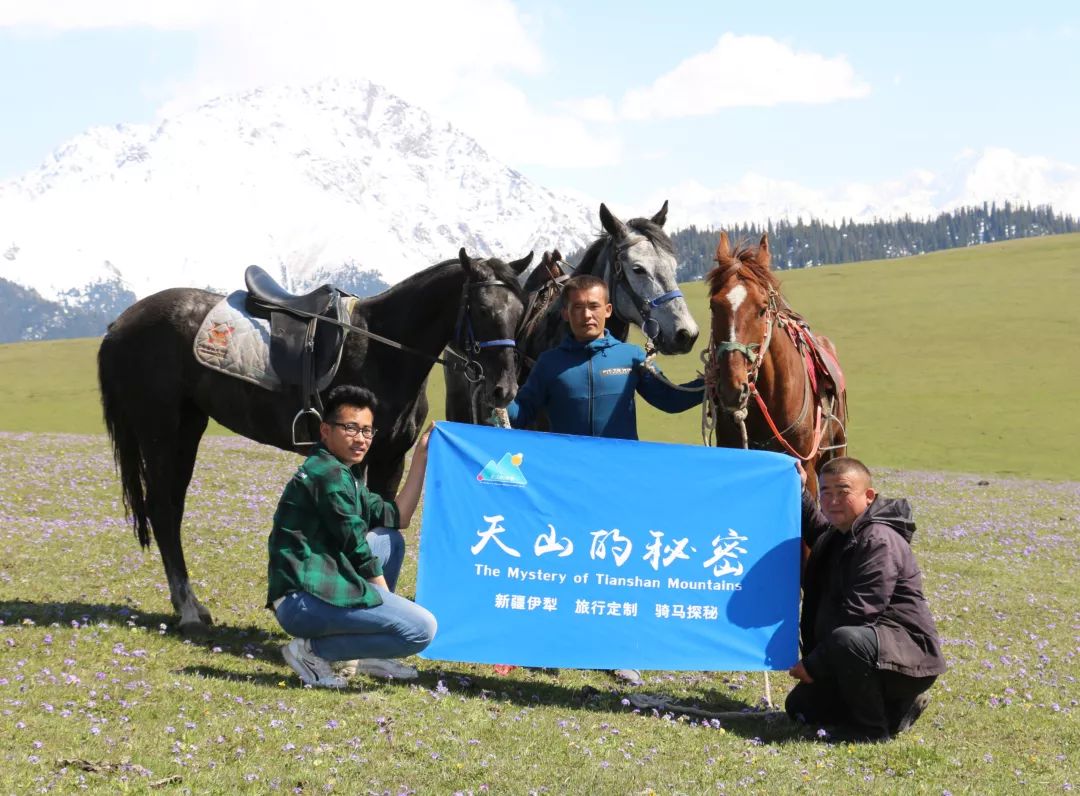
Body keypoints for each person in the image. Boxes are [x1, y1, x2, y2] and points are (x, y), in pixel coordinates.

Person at [502, 274, 704, 684]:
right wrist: (495, 407)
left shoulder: (631, 357)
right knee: (559, 567)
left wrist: (706, 384)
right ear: (566, 314)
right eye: (577, 308)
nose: (586, 314)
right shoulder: (549, 364)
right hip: (564, 487)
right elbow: (519, 414)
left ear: (608, 311)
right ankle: (548, 649)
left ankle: (616, 652)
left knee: (615, 569)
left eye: (594, 306)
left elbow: (668, 399)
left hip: (619, 487)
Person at [267, 384, 437, 687]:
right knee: (420, 629)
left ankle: (371, 654)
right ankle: (311, 651)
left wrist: (421, 457)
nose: (361, 439)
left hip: (320, 584)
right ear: (325, 431)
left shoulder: (344, 473)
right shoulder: (327, 475)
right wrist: (386, 607)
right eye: (350, 428)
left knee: (389, 540)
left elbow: (399, 517)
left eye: (367, 431)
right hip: (302, 599)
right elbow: (357, 549)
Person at [786, 457, 947, 741]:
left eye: (843, 491)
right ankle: (896, 709)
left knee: (847, 639)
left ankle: (870, 730)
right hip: (871, 652)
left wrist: (813, 664)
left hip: (904, 655)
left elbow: (860, 612)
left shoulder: (878, 540)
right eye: (825, 491)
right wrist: (800, 492)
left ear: (868, 496)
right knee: (800, 707)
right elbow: (817, 529)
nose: (832, 500)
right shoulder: (842, 533)